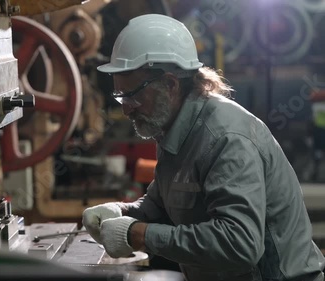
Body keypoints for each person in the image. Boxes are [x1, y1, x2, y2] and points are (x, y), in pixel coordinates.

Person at [82, 14, 325, 281]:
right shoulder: (173, 129)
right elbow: (160, 206)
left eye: (133, 94)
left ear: (170, 84)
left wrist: (137, 234)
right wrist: (120, 212)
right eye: (120, 96)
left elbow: (239, 244)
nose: (126, 108)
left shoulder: (225, 139)